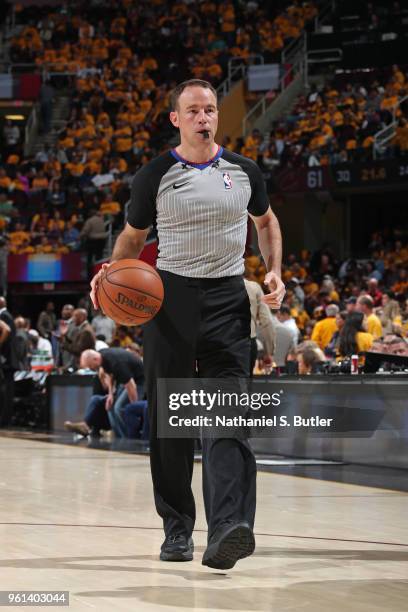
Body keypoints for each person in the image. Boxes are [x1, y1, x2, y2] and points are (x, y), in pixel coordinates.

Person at [90, 79, 285, 569]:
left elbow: (265, 223)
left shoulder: (244, 172)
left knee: (228, 414)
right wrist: (109, 277)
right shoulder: (155, 174)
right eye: (193, 110)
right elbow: (132, 241)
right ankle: (177, 528)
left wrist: (274, 269)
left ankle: (228, 528)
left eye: (211, 109)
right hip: (168, 299)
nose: (204, 117)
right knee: (172, 425)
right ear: (175, 118)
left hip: (227, 297)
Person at [75, 348, 145, 438]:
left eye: (90, 366)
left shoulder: (116, 363)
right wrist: (110, 394)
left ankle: (129, 438)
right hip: (127, 382)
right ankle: (119, 437)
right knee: (110, 406)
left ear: (95, 359)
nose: (91, 369)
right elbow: (109, 374)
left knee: (119, 407)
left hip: (139, 381)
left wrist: (134, 407)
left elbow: (131, 386)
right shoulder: (102, 355)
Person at [0, 296, 17, 426]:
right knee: (6, 390)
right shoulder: (7, 315)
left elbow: (6, 330)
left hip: (6, 360)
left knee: (6, 391)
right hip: (7, 360)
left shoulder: (4, 316)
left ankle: (5, 419)